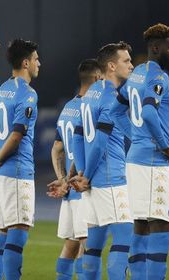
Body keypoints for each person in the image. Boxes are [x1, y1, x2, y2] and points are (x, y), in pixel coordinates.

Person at [110, 23, 169, 279]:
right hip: (153, 162)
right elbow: (149, 111)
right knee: (160, 223)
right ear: (155, 48)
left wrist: (135, 137)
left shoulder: (136, 73)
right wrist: (163, 145)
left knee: (140, 224)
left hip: (134, 161)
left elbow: (116, 111)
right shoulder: (158, 76)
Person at [69, 42, 134, 279]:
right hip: (110, 177)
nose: (131, 64)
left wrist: (85, 173)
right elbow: (99, 142)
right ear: (111, 65)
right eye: (126, 61)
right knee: (124, 238)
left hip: (93, 183)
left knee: (94, 248)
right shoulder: (110, 96)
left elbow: (77, 137)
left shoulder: (89, 95)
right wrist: (86, 174)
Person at [0, 38, 40, 280]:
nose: (39, 63)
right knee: (19, 231)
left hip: (0, 175)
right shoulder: (27, 94)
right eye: (36, 59)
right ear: (25, 63)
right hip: (16, 171)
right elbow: (16, 136)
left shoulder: (1, 91)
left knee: (3, 232)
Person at [47, 59, 101, 280]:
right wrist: (71, 177)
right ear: (98, 78)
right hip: (83, 186)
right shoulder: (90, 108)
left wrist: (61, 179)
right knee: (87, 246)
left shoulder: (68, 108)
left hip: (70, 190)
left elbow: (57, 148)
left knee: (70, 244)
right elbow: (88, 147)